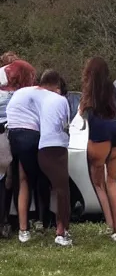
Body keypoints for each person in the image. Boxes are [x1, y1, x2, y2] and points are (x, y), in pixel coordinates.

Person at [6, 69, 59, 242]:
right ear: (53, 85)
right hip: (31, 135)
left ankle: (23, 230)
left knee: (22, 180)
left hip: (13, 134)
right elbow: (49, 122)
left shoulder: (24, 91)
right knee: (38, 179)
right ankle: (42, 221)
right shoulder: (46, 96)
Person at [80, 57, 116, 242]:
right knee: (112, 181)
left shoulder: (89, 92)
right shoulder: (114, 89)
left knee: (98, 183)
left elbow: (81, 114)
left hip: (99, 133)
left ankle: (109, 225)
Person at [35, 71, 72, 246]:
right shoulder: (62, 100)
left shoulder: (41, 101)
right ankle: (60, 232)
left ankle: (59, 226)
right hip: (57, 147)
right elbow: (64, 124)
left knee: (56, 188)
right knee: (62, 191)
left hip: (42, 148)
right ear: (57, 86)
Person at [0, 55, 36, 237]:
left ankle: (7, 220)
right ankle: (13, 221)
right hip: (9, 138)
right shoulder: (20, 93)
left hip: (6, 137)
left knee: (6, 181)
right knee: (15, 181)